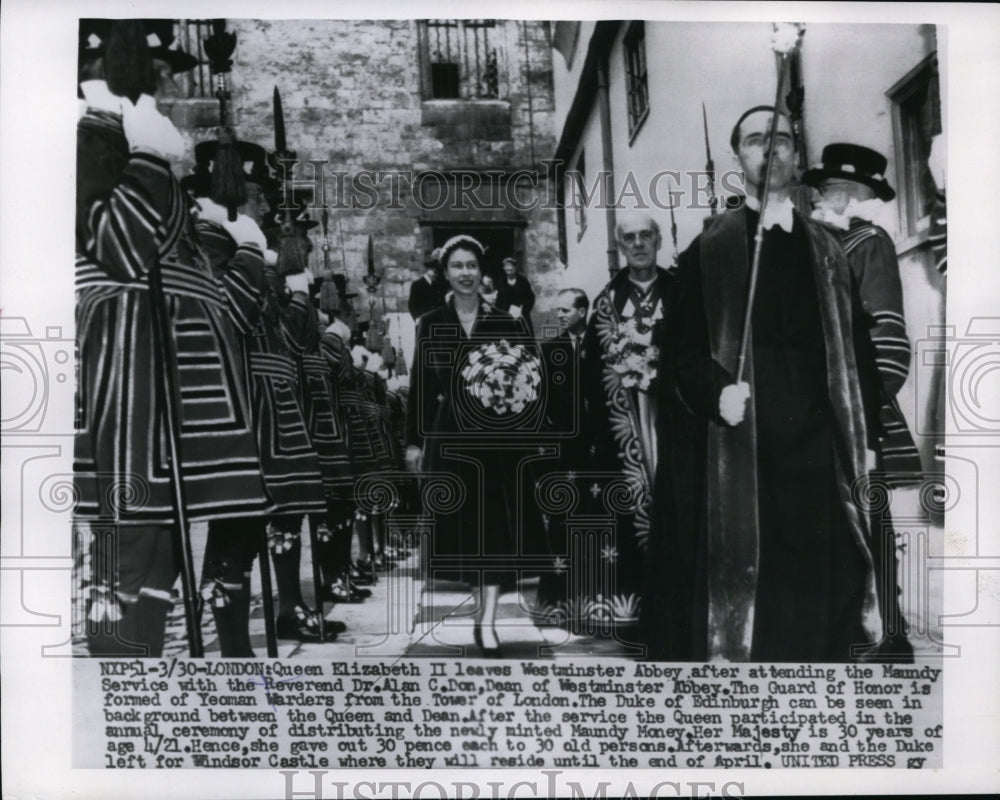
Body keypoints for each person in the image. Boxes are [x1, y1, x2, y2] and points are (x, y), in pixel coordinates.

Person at [652, 106, 882, 662]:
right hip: (742, 447)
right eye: (756, 140)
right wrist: (715, 392)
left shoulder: (828, 250)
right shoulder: (707, 251)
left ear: (795, 156)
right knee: (753, 592)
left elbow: (859, 353)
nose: (770, 149)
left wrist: (867, 437)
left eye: (781, 140)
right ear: (739, 158)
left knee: (818, 593)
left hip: (816, 451)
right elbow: (680, 354)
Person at [75, 20, 271, 657]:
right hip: (126, 374)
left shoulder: (118, 136)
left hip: (162, 380)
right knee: (124, 541)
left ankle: (137, 673)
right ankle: (117, 679)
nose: (164, 87)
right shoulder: (89, 134)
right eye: (157, 72)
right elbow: (120, 247)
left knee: (153, 547)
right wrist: (151, 162)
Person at [183, 139, 333, 651]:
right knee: (235, 526)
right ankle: (233, 647)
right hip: (239, 402)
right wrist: (249, 251)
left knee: (255, 524)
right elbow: (230, 318)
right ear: (229, 189)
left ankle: (275, 616)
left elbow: (296, 337)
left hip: (271, 405)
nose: (266, 205)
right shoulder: (207, 239)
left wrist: (294, 290)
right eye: (257, 193)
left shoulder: (247, 244)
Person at [405, 235, 547, 657]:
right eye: (457, 266)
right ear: (445, 273)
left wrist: (529, 430)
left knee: (496, 532)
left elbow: (530, 379)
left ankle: (487, 621)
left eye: (471, 265)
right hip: (450, 439)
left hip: (498, 441)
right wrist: (413, 442)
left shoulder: (506, 320)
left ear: (481, 271)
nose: (465, 273)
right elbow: (420, 387)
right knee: (467, 533)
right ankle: (479, 608)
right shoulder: (430, 323)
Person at [804, 142, 919, 659]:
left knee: (871, 521)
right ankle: (851, 626)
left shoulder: (867, 242)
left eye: (827, 189)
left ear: (851, 194)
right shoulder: (819, 246)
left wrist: (865, 412)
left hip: (856, 412)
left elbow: (889, 339)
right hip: (820, 410)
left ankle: (889, 634)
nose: (820, 198)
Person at [575, 213, 676, 641]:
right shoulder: (605, 303)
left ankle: (678, 601)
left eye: (645, 236)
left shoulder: (681, 291)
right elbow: (590, 371)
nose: (638, 245)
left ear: (659, 240)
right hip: (622, 431)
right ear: (620, 245)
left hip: (673, 419)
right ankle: (631, 607)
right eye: (629, 238)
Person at [495, 257, 536, 334]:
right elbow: (498, 301)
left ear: (515, 267)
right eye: (506, 266)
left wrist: (523, 310)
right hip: (506, 316)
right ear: (504, 268)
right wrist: (502, 314)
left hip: (521, 315)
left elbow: (530, 298)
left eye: (511, 266)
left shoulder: (523, 281)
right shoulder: (501, 282)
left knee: (524, 336)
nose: (508, 269)